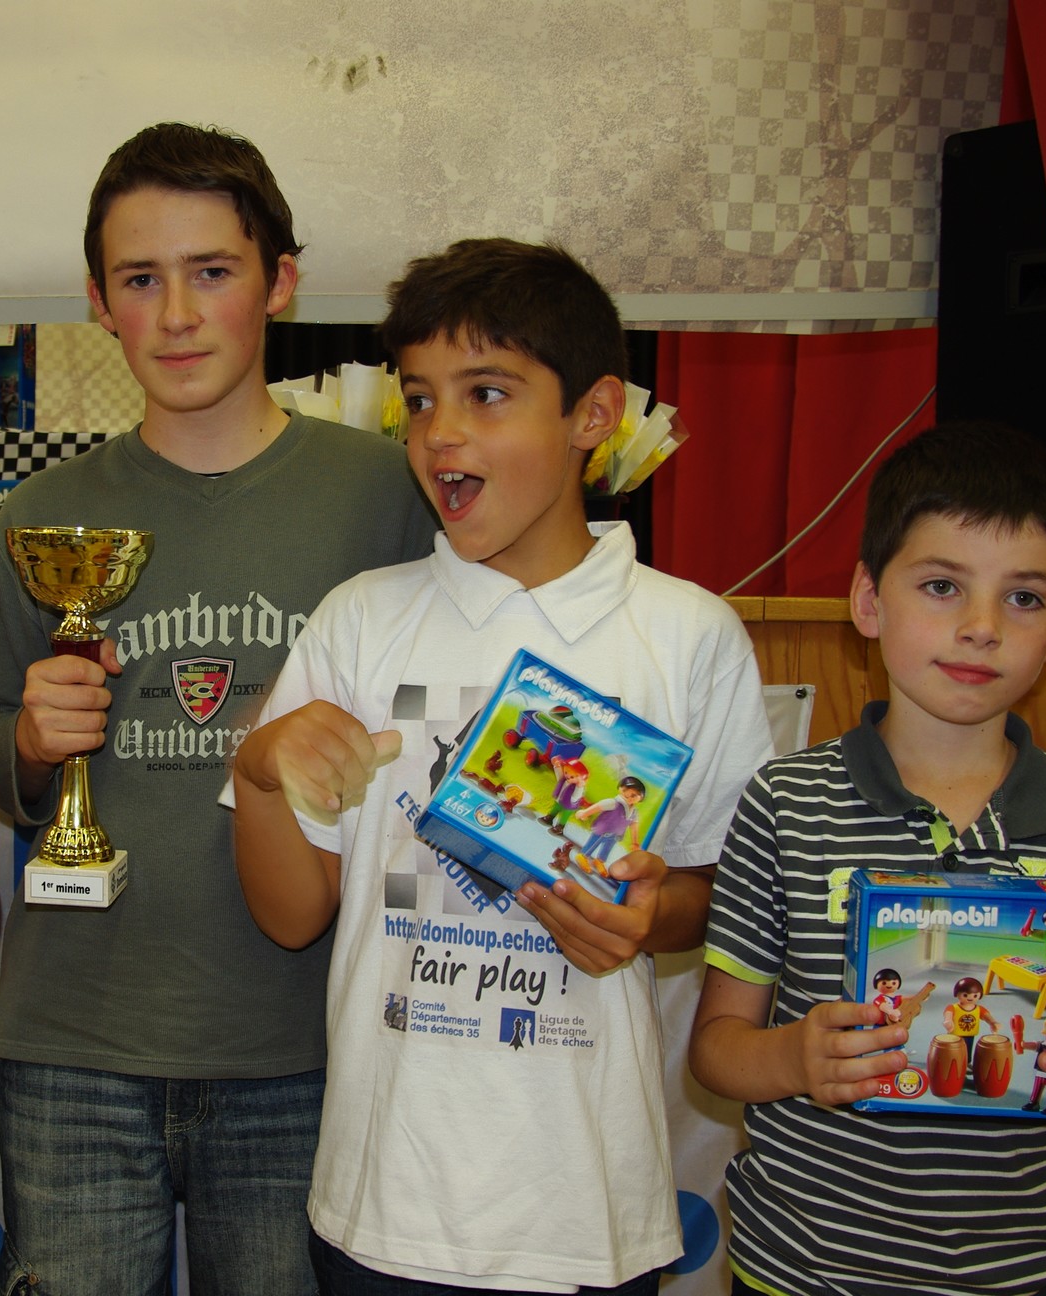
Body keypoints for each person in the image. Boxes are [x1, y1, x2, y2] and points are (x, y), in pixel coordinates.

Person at [227, 237, 774, 1293]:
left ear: (593, 414)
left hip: (585, 1210)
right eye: (418, 399)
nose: (441, 432)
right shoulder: (360, 620)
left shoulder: (687, 634)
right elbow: (292, 915)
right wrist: (258, 772)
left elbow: (722, 895)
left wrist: (647, 913)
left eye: (486, 394)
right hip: (383, 1206)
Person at [0, 121, 438, 1293]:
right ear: (98, 301)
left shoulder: (387, 494)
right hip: (76, 1040)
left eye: (211, 272)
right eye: (140, 279)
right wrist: (27, 742)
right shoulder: (39, 515)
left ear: (279, 282)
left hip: (301, 1043)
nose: (176, 315)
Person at [689, 421, 1046, 1296]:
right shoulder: (786, 802)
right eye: (943, 586)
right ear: (869, 601)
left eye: (1024, 597)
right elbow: (718, 1049)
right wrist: (798, 1058)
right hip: (805, 1267)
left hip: (1023, 1270)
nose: (982, 628)